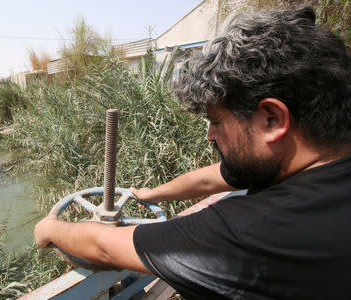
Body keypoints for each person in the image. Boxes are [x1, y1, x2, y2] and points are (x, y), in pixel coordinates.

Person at [34, 6, 351, 299]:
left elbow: (105, 249)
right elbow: (212, 179)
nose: (211, 135)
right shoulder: (319, 160)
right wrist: (152, 194)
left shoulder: (254, 233)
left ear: (272, 119)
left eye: (216, 121)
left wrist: (50, 228)